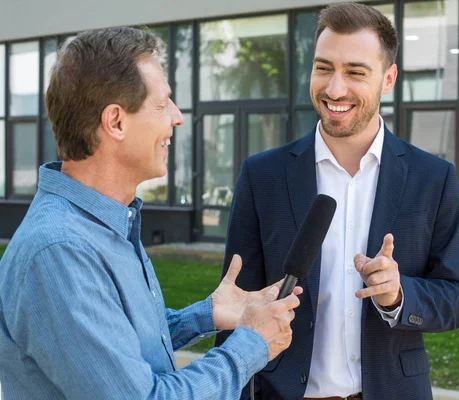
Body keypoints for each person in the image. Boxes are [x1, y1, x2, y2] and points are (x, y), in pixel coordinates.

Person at [0, 27, 302, 400]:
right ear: (116, 122)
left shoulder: (108, 224)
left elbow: (124, 348)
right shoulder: (61, 251)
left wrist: (205, 315)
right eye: (162, 105)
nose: (176, 118)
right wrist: (252, 344)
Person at [216, 3, 459, 399]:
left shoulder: (433, 178)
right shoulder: (261, 175)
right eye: (323, 68)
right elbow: (235, 303)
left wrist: (398, 294)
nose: (335, 89)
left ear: (388, 79)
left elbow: (456, 298)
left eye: (355, 72)